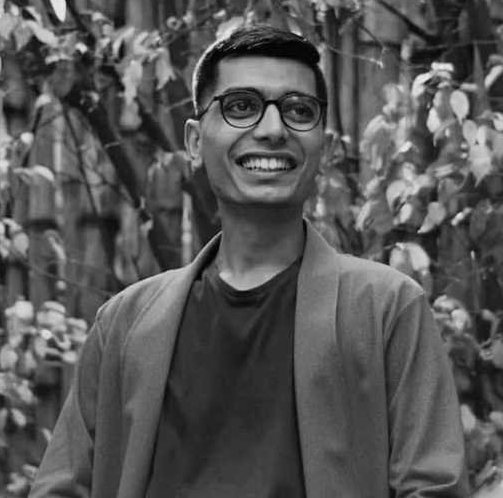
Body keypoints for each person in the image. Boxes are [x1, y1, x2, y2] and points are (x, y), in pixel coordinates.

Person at [29, 25, 468, 498]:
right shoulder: (123, 324)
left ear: (324, 145)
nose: (273, 129)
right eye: (241, 106)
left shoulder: (386, 310)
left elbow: (434, 486)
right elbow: (60, 487)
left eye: (299, 110)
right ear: (195, 142)